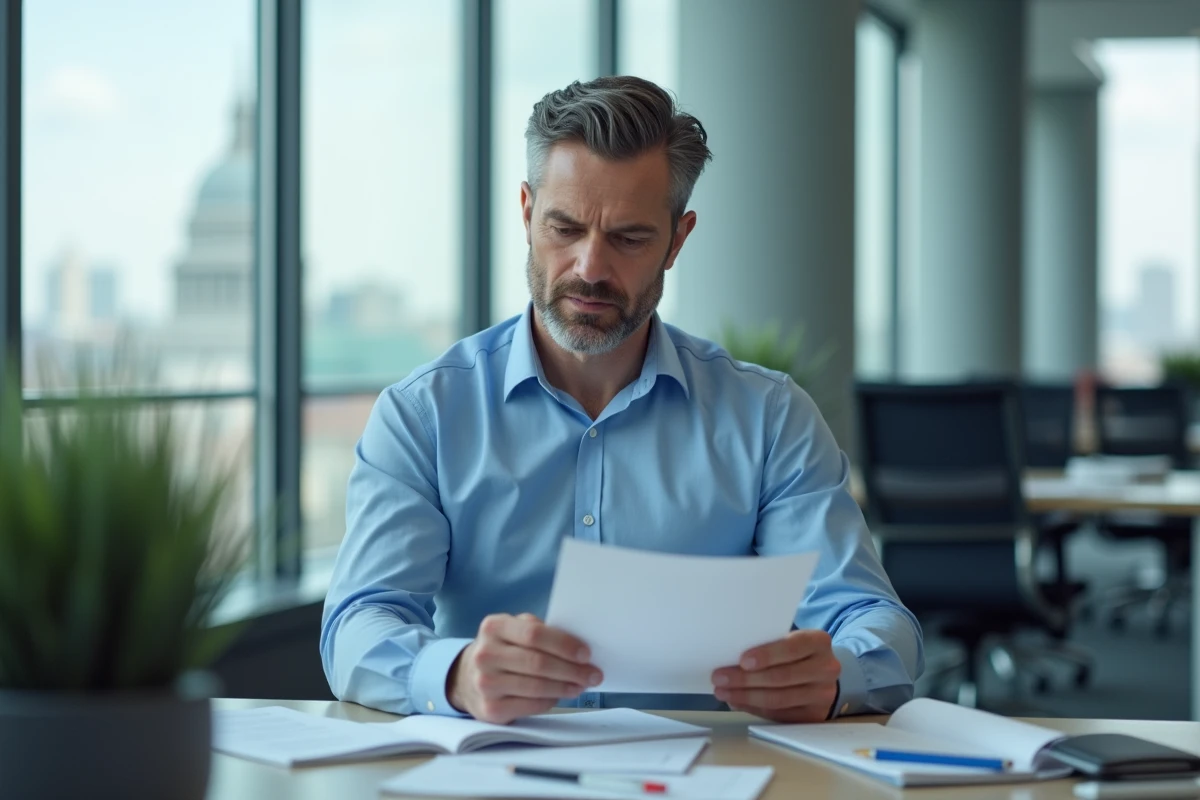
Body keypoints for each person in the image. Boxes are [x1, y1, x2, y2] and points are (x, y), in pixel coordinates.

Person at [321, 75, 923, 725]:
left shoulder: (769, 419)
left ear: (677, 239)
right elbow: (358, 622)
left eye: (629, 238)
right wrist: (456, 675)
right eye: (565, 228)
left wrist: (837, 676)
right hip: (494, 773)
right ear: (526, 213)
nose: (589, 268)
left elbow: (876, 621)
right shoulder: (424, 415)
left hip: (712, 776)